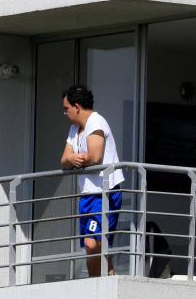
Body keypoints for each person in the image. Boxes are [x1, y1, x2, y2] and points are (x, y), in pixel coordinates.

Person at [59, 84, 124, 277]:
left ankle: (96, 285)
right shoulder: (75, 129)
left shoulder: (96, 122)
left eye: (66, 108)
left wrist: (74, 159)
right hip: (87, 194)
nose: (65, 113)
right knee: (96, 246)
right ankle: (105, 284)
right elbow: (64, 160)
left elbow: (95, 156)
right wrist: (71, 159)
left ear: (77, 106)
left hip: (104, 192)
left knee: (93, 243)